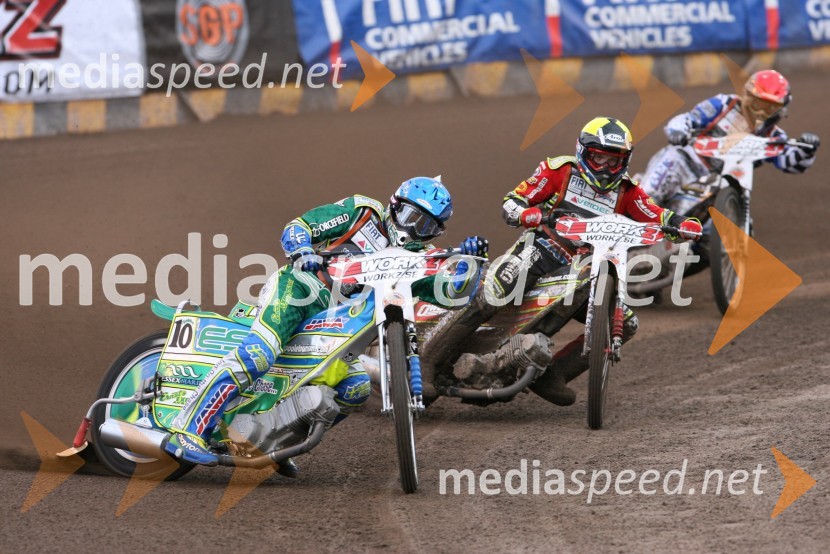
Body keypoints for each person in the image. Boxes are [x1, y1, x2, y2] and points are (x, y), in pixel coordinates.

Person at [164, 177, 488, 467]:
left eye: (427, 226)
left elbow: (449, 295)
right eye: (411, 217)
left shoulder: (421, 259)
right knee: (260, 354)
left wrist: (470, 266)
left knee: (356, 387)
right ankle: (187, 429)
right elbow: (299, 226)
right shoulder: (363, 212)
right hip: (301, 290)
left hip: (336, 324)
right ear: (395, 206)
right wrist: (302, 250)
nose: (415, 230)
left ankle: (270, 442)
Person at [422, 117, 702, 407]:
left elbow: (655, 214)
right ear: (583, 152)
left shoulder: (627, 191)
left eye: (613, 161)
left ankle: (553, 374)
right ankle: (428, 360)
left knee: (626, 324)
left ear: (625, 161)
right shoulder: (559, 171)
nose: (606, 168)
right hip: (543, 248)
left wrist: (683, 223)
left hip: (589, 269)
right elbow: (513, 200)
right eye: (599, 158)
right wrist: (528, 214)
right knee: (496, 290)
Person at [641, 69, 820, 207]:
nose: (761, 111)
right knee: (648, 198)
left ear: (781, 110)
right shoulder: (723, 105)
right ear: (748, 95)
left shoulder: (772, 135)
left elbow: (790, 161)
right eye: (759, 103)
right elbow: (688, 119)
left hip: (718, 184)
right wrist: (677, 131)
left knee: (706, 235)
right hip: (685, 163)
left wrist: (807, 149)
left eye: (770, 107)